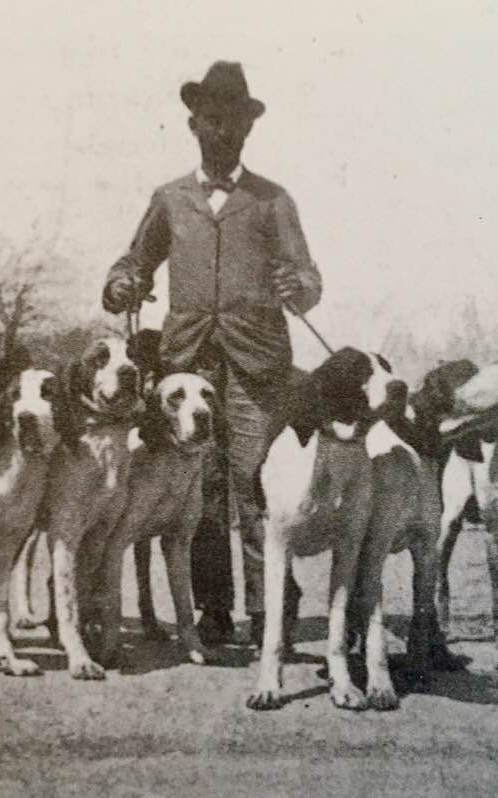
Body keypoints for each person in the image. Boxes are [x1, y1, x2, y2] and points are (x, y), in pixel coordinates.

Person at [103, 61, 322, 645]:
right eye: (212, 120)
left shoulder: (273, 200)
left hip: (258, 366)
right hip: (188, 367)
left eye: (234, 124)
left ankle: (269, 609)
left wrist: (297, 288)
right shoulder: (169, 199)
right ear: (194, 123)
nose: (223, 132)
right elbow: (133, 261)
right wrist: (121, 283)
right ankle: (215, 610)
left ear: (248, 131)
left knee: (253, 485)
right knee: (200, 492)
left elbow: (307, 275)